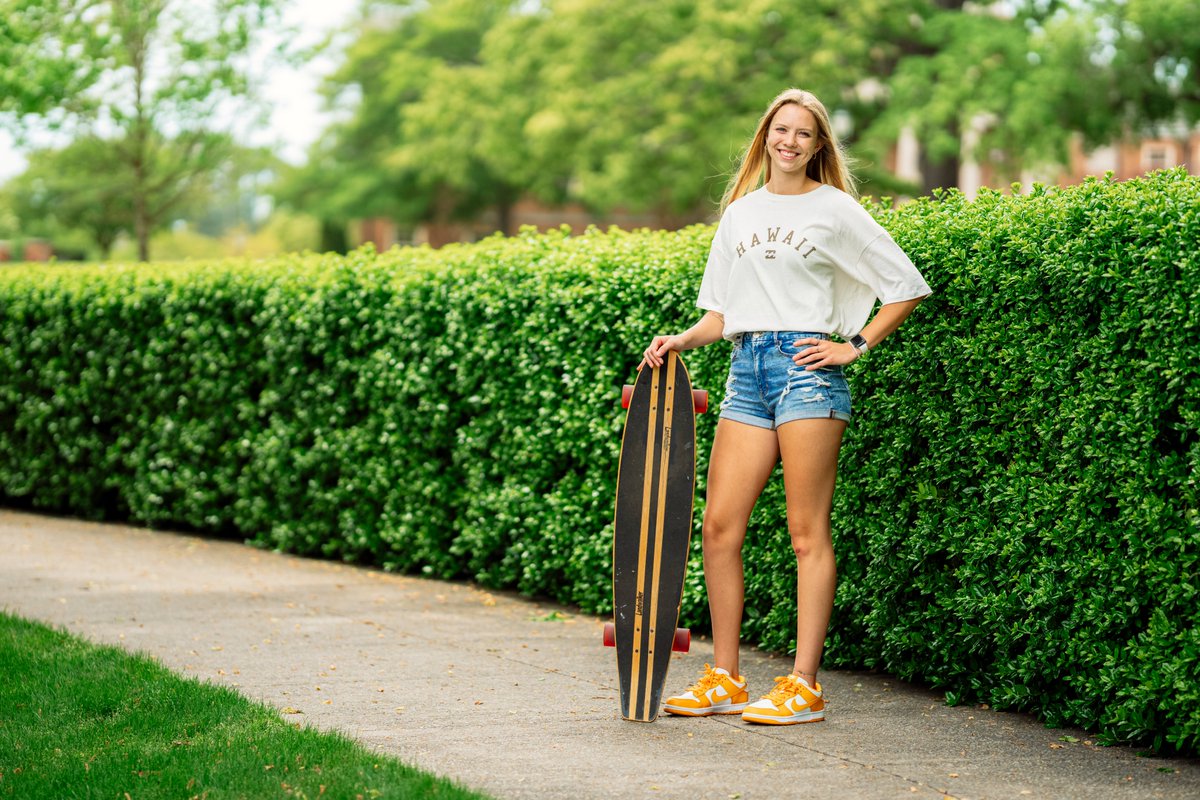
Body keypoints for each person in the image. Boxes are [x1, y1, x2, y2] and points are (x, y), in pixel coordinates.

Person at [640, 88, 931, 725]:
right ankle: (726, 675)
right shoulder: (741, 214)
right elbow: (721, 312)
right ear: (765, 137)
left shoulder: (836, 210)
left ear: (818, 145)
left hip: (807, 373)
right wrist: (682, 339)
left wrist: (852, 346)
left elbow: (905, 287)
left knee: (806, 534)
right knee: (720, 527)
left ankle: (804, 685)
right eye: (781, 130)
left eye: (804, 133)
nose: (791, 142)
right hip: (748, 369)